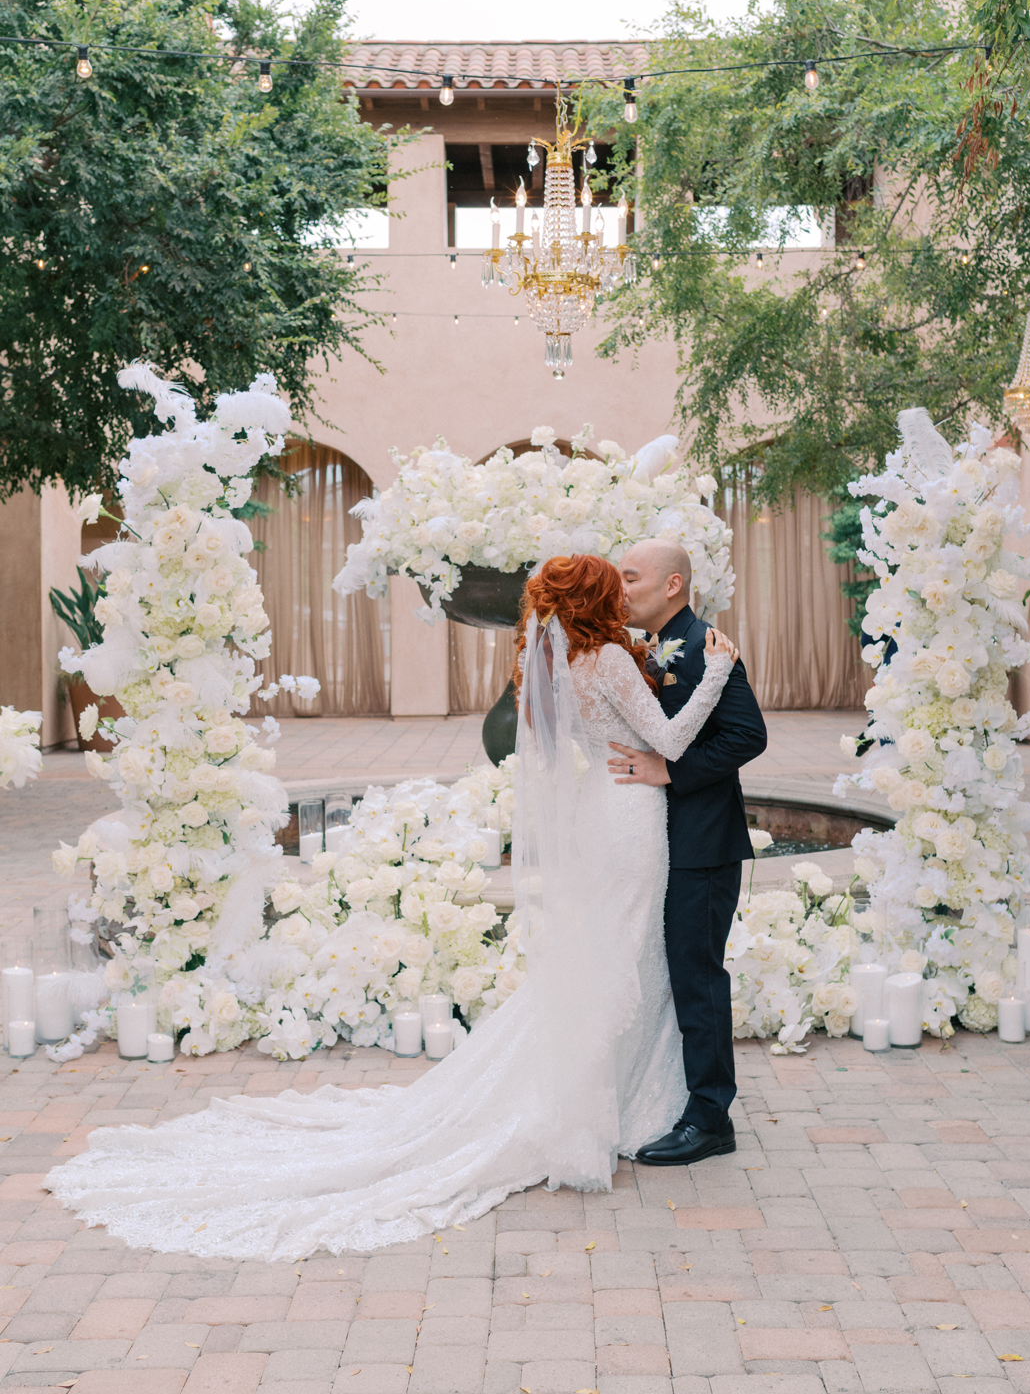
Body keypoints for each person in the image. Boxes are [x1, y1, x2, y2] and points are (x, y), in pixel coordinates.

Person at [45, 554, 739, 1262]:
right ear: (596, 600)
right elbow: (672, 740)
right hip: (631, 816)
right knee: (625, 950)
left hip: (603, 811)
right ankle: (618, 1103)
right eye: (614, 582)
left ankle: (625, 1094)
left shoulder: (564, 667)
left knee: (613, 951)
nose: (626, 590)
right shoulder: (614, 663)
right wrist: (713, 671)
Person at [609, 540, 767, 1165]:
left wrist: (671, 772)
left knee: (697, 978)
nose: (621, 591)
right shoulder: (644, 649)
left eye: (631, 578)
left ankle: (709, 1118)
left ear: (673, 585)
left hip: (702, 844)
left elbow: (747, 735)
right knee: (669, 973)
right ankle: (668, 1097)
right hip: (656, 843)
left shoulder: (706, 648)